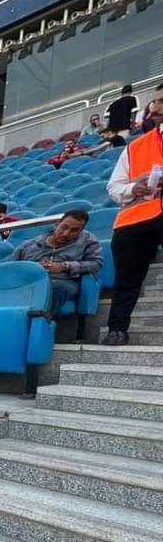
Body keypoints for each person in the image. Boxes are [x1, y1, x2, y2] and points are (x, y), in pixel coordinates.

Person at [103, 82, 163, 345]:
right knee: (126, 280)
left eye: (161, 101)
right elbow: (114, 188)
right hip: (135, 219)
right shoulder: (136, 146)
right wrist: (133, 188)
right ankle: (117, 329)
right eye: (155, 101)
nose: (154, 108)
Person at [12, 210, 102, 316]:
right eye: (64, 227)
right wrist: (33, 268)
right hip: (30, 283)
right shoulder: (28, 245)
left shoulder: (88, 240)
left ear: (81, 231)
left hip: (64, 282)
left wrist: (64, 266)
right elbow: (11, 268)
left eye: (74, 230)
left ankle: (39, 323)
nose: (66, 234)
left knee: (56, 290)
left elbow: (96, 264)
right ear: (57, 223)